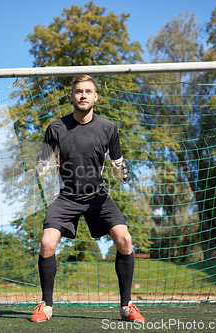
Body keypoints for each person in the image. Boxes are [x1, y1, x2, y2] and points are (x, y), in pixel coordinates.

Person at [30, 75, 144, 323]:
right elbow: (44, 162)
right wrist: (43, 168)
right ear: (71, 96)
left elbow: (117, 163)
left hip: (97, 197)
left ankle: (127, 305)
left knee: (124, 239)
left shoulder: (108, 128)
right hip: (66, 197)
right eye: (78, 91)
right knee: (47, 243)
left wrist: (119, 171)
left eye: (88, 91)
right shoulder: (56, 128)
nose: (83, 95)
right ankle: (46, 305)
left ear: (95, 97)